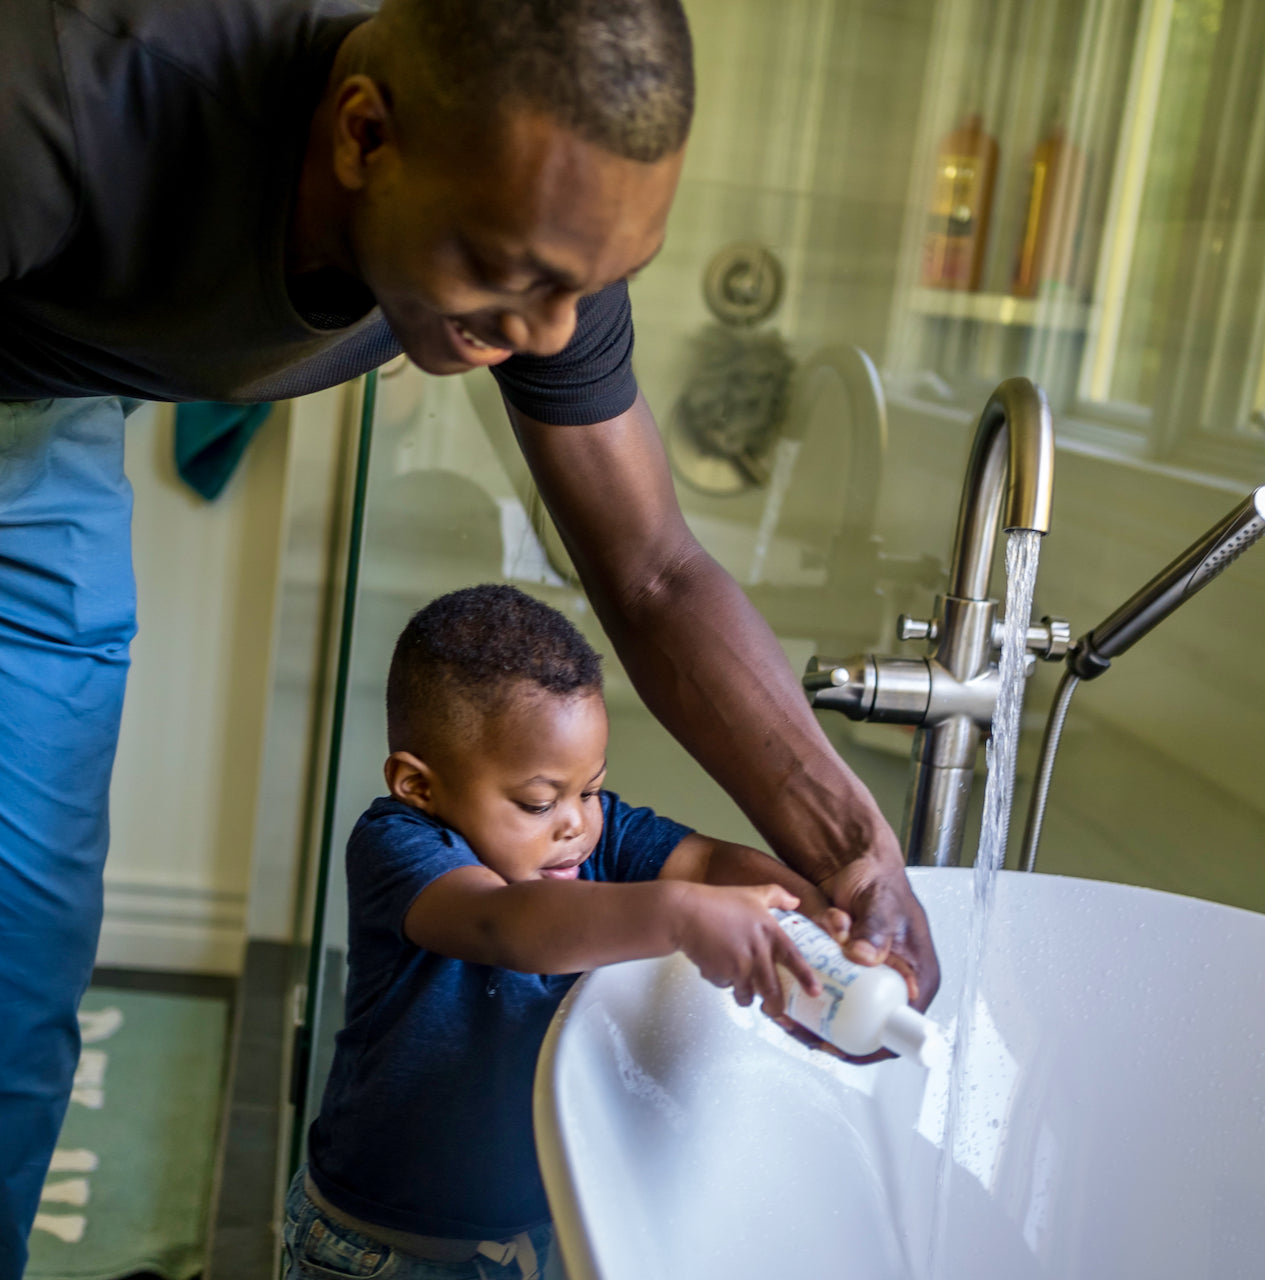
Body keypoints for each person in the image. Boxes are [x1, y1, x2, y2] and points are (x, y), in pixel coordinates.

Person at [0, 0, 938, 1268]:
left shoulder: (539, 229)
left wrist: (854, 853)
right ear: (362, 134)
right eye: (515, 274)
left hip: (45, 401)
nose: (551, 335)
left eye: (588, 286)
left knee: (9, 984)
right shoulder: (69, 88)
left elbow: (654, 570)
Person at [288, 584, 856, 1280]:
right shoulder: (397, 845)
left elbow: (707, 861)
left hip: (518, 1245)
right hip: (378, 1249)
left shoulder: (594, 834)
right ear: (419, 785)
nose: (575, 824)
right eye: (537, 802)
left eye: (590, 789)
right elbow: (504, 924)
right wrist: (680, 914)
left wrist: (810, 912)